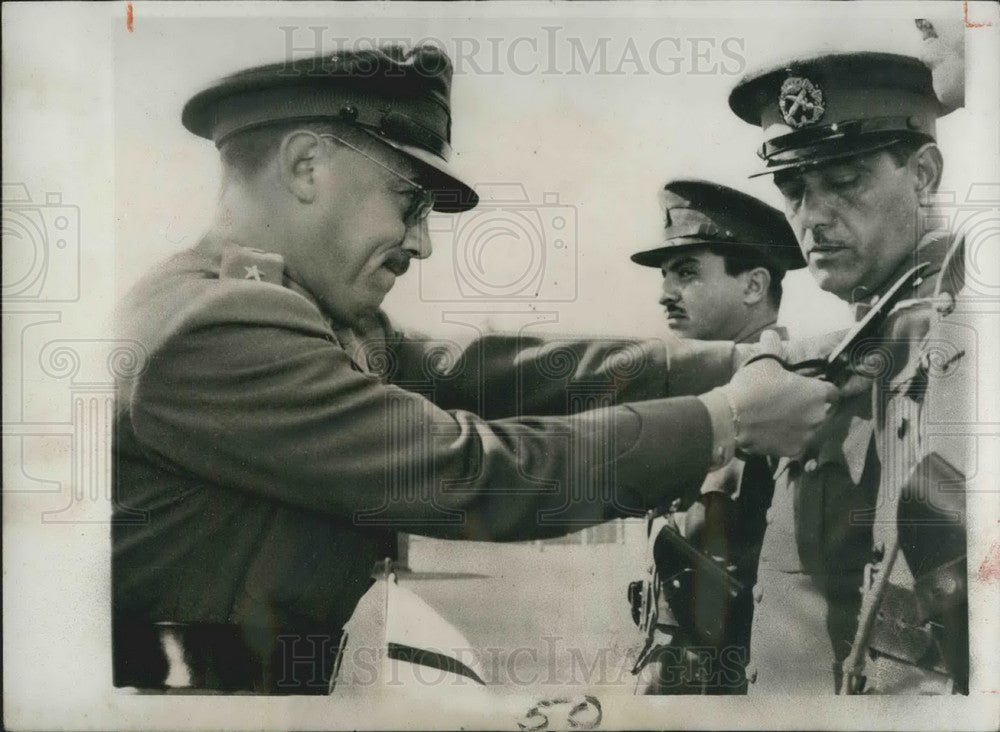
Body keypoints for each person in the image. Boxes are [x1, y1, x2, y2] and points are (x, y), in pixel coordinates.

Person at [111, 44, 836, 695]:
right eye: (410, 202)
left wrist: (741, 361)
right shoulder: (212, 330)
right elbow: (465, 473)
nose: (421, 243)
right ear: (306, 166)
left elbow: (491, 372)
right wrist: (729, 418)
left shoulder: (301, 312)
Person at [729, 51, 969, 694]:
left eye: (844, 181)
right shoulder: (856, 345)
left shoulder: (966, 342)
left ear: (922, 175)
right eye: (794, 188)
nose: (812, 215)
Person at [627, 179, 806, 694]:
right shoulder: (707, 397)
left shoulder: (794, 404)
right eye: (665, 276)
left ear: (752, 286)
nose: (665, 293)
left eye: (686, 273)